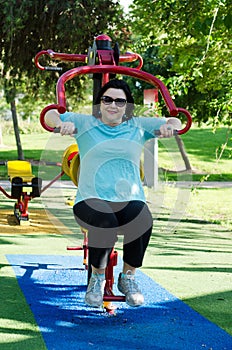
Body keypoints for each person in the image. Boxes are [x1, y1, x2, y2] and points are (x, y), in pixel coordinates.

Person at [45, 78, 181, 308]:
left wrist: (171, 127)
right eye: (107, 99)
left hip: (129, 199)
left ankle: (127, 278)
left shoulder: (137, 126)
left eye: (120, 101)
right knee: (104, 220)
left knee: (143, 218)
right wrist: (60, 122)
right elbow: (49, 115)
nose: (113, 105)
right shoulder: (85, 123)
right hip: (90, 199)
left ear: (128, 106)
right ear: (100, 103)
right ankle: (97, 279)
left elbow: (176, 121)